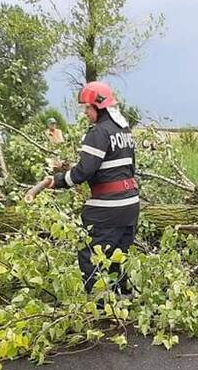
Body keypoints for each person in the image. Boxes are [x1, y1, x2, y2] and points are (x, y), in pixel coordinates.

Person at [36, 81, 139, 294]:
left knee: (90, 255)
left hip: (107, 208)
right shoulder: (124, 130)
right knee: (120, 257)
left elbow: (84, 172)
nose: (85, 113)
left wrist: (58, 180)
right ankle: (124, 304)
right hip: (130, 204)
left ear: (98, 107)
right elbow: (128, 167)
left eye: (87, 108)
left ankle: (101, 309)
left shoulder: (98, 133)